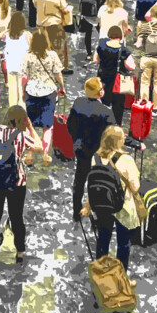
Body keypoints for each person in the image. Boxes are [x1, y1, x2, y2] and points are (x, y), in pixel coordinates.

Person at [0, 105, 40, 263]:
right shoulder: (21, 135)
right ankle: (19, 253)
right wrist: (30, 127)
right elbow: (39, 147)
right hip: (16, 182)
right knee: (16, 217)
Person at [82, 126, 141, 275]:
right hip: (122, 206)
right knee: (123, 244)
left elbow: (93, 184)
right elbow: (135, 188)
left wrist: (88, 206)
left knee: (103, 239)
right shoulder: (126, 159)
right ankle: (120, 276)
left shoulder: (95, 157)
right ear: (118, 141)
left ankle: (100, 272)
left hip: (102, 204)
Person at [67, 77, 116, 222]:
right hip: (98, 152)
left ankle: (76, 211)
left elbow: (70, 125)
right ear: (100, 93)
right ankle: (94, 212)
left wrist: (76, 140)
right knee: (97, 182)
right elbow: (112, 134)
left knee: (79, 180)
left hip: (81, 148)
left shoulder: (78, 103)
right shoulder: (106, 112)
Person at [21, 31, 65, 165]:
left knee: (30, 125)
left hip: (32, 92)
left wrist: (23, 90)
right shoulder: (52, 55)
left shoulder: (27, 56)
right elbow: (58, 74)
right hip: (48, 92)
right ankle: (46, 155)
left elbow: (24, 77)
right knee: (47, 126)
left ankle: (29, 155)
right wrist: (62, 87)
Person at [94, 25, 136, 126]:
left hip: (103, 80)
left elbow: (95, 60)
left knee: (103, 105)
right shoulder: (124, 50)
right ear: (120, 36)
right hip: (118, 83)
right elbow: (131, 66)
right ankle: (116, 129)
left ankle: (102, 127)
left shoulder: (102, 44)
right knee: (118, 108)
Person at [0, 12, 32, 108]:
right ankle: (22, 112)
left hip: (11, 66)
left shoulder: (7, 33)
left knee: (12, 91)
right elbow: (32, 49)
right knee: (22, 90)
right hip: (23, 67)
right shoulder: (27, 35)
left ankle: (12, 111)